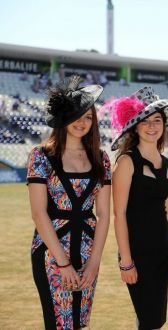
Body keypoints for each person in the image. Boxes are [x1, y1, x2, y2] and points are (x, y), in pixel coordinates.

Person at [27, 75, 111, 329]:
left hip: (88, 251)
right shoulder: (41, 155)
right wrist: (62, 262)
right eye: (77, 115)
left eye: (88, 116)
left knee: (78, 322)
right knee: (59, 322)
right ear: (64, 118)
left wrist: (95, 262)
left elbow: (104, 214)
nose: (82, 122)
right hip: (51, 252)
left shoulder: (102, 158)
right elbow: (39, 213)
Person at [109, 86, 168, 329]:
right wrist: (126, 261)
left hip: (161, 251)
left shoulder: (165, 162)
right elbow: (119, 215)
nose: (152, 126)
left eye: (157, 120)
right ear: (135, 126)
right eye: (145, 121)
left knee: (155, 320)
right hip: (138, 253)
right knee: (150, 319)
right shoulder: (126, 161)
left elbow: (166, 211)